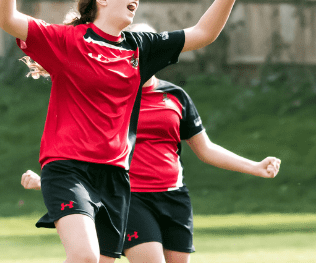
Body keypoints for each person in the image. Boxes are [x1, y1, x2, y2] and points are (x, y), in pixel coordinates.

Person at [0, 0, 248, 261]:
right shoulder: (67, 41)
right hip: (67, 169)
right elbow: (7, 19)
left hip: (115, 176)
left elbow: (204, 32)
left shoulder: (140, 48)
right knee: (85, 257)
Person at [20, 24, 282, 263]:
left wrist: (255, 167)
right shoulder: (110, 95)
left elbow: (206, 149)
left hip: (175, 197)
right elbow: (85, 143)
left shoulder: (176, 97)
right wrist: (52, 182)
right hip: (132, 198)